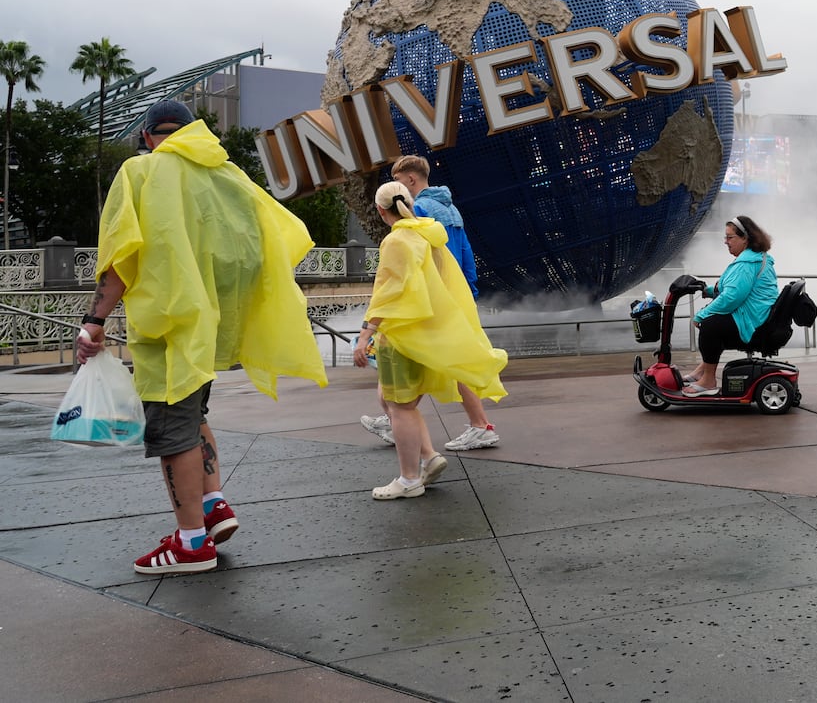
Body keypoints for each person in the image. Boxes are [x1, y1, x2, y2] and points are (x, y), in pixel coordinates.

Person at [75, 100, 328, 575]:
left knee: (172, 433)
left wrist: (94, 322)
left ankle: (191, 544)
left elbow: (119, 257)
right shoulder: (229, 177)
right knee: (194, 415)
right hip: (210, 329)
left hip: (169, 329)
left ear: (150, 136)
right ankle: (213, 505)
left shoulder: (141, 172)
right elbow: (258, 248)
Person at [352, 182, 508, 499]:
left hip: (402, 335)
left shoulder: (397, 241)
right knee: (392, 400)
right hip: (427, 333)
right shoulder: (430, 234)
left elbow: (387, 292)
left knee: (399, 407)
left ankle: (409, 480)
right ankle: (428, 457)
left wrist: (365, 333)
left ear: (382, 211)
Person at [680, 215, 779, 396]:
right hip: (757, 316)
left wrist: (701, 315)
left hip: (752, 322)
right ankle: (701, 372)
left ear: (745, 238)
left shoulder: (747, 263)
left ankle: (708, 381)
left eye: (730, 237)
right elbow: (736, 288)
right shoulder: (755, 258)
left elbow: (733, 297)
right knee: (716, 323)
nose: (726, 242)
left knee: (710, 326)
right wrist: (707, 290)